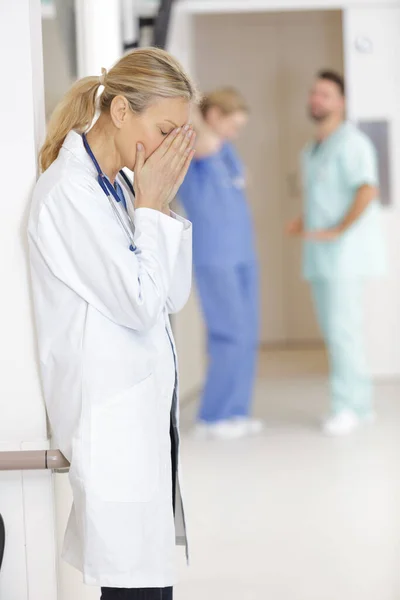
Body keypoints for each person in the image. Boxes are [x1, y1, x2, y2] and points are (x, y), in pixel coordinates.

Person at [28, 48, 198, 599]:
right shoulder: (68, 194)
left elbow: (172, 296)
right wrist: (150, 207)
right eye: (166, 129)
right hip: (112, 433)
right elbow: (139, 303)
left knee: (148, 588)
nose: (174, 146)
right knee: (136, 591)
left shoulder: (121, 187)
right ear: (121, 111)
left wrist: (160, 206)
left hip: (143, 429)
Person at [286, 70, 386, 436]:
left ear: (341, 102)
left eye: (325, 94)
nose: (317, 99)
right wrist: (305, 221)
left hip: (345, 255)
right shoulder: (312, 148)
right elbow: (327, 197)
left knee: (343, 333)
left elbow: (367, 191)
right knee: (339, 332)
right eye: (314, 93)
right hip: (321, 255)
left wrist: (338, 230)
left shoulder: (352, 143)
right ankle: (361, 405)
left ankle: (348, 407)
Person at [178, 87, 261, 440]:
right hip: (215, 255)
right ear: (212, 116)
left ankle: (236, 410)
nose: (234, 133)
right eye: (232, 124)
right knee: (229, 334)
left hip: (242, 252)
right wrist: (200, 102)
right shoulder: (198, 144)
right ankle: (214, 415)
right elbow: (201, 131)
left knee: (247, 334)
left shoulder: (226, 148)